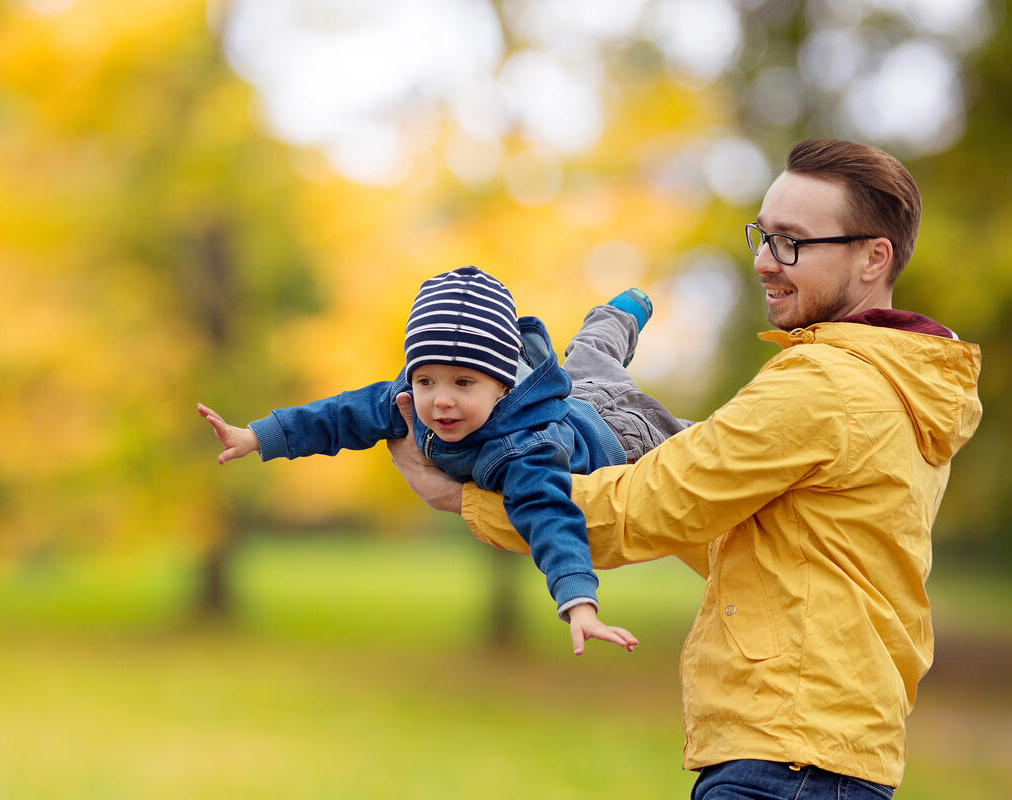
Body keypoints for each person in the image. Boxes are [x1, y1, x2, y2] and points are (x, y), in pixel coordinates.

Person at [385, 139, 982, 797]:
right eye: (763, 235)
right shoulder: (897, 383)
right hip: (815, 750)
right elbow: (743, 539)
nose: (763, 261)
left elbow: (648, 505)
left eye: (791, 243)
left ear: (874, 256)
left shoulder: (827, 387)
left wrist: (463, 500)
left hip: (788, 760)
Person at [199, 265, 687, 655]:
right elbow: (338, 415)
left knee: (619, 381)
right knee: (587, 357)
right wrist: (257, 437)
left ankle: (624, 311)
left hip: (619, 433)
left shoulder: (522, 450)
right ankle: (621, 313)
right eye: (427, 380)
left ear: (502, 384)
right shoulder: (409, 400)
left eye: (463, 384)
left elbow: (551, 517)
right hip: (567, 398)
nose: (441, 402)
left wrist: (578, 601)